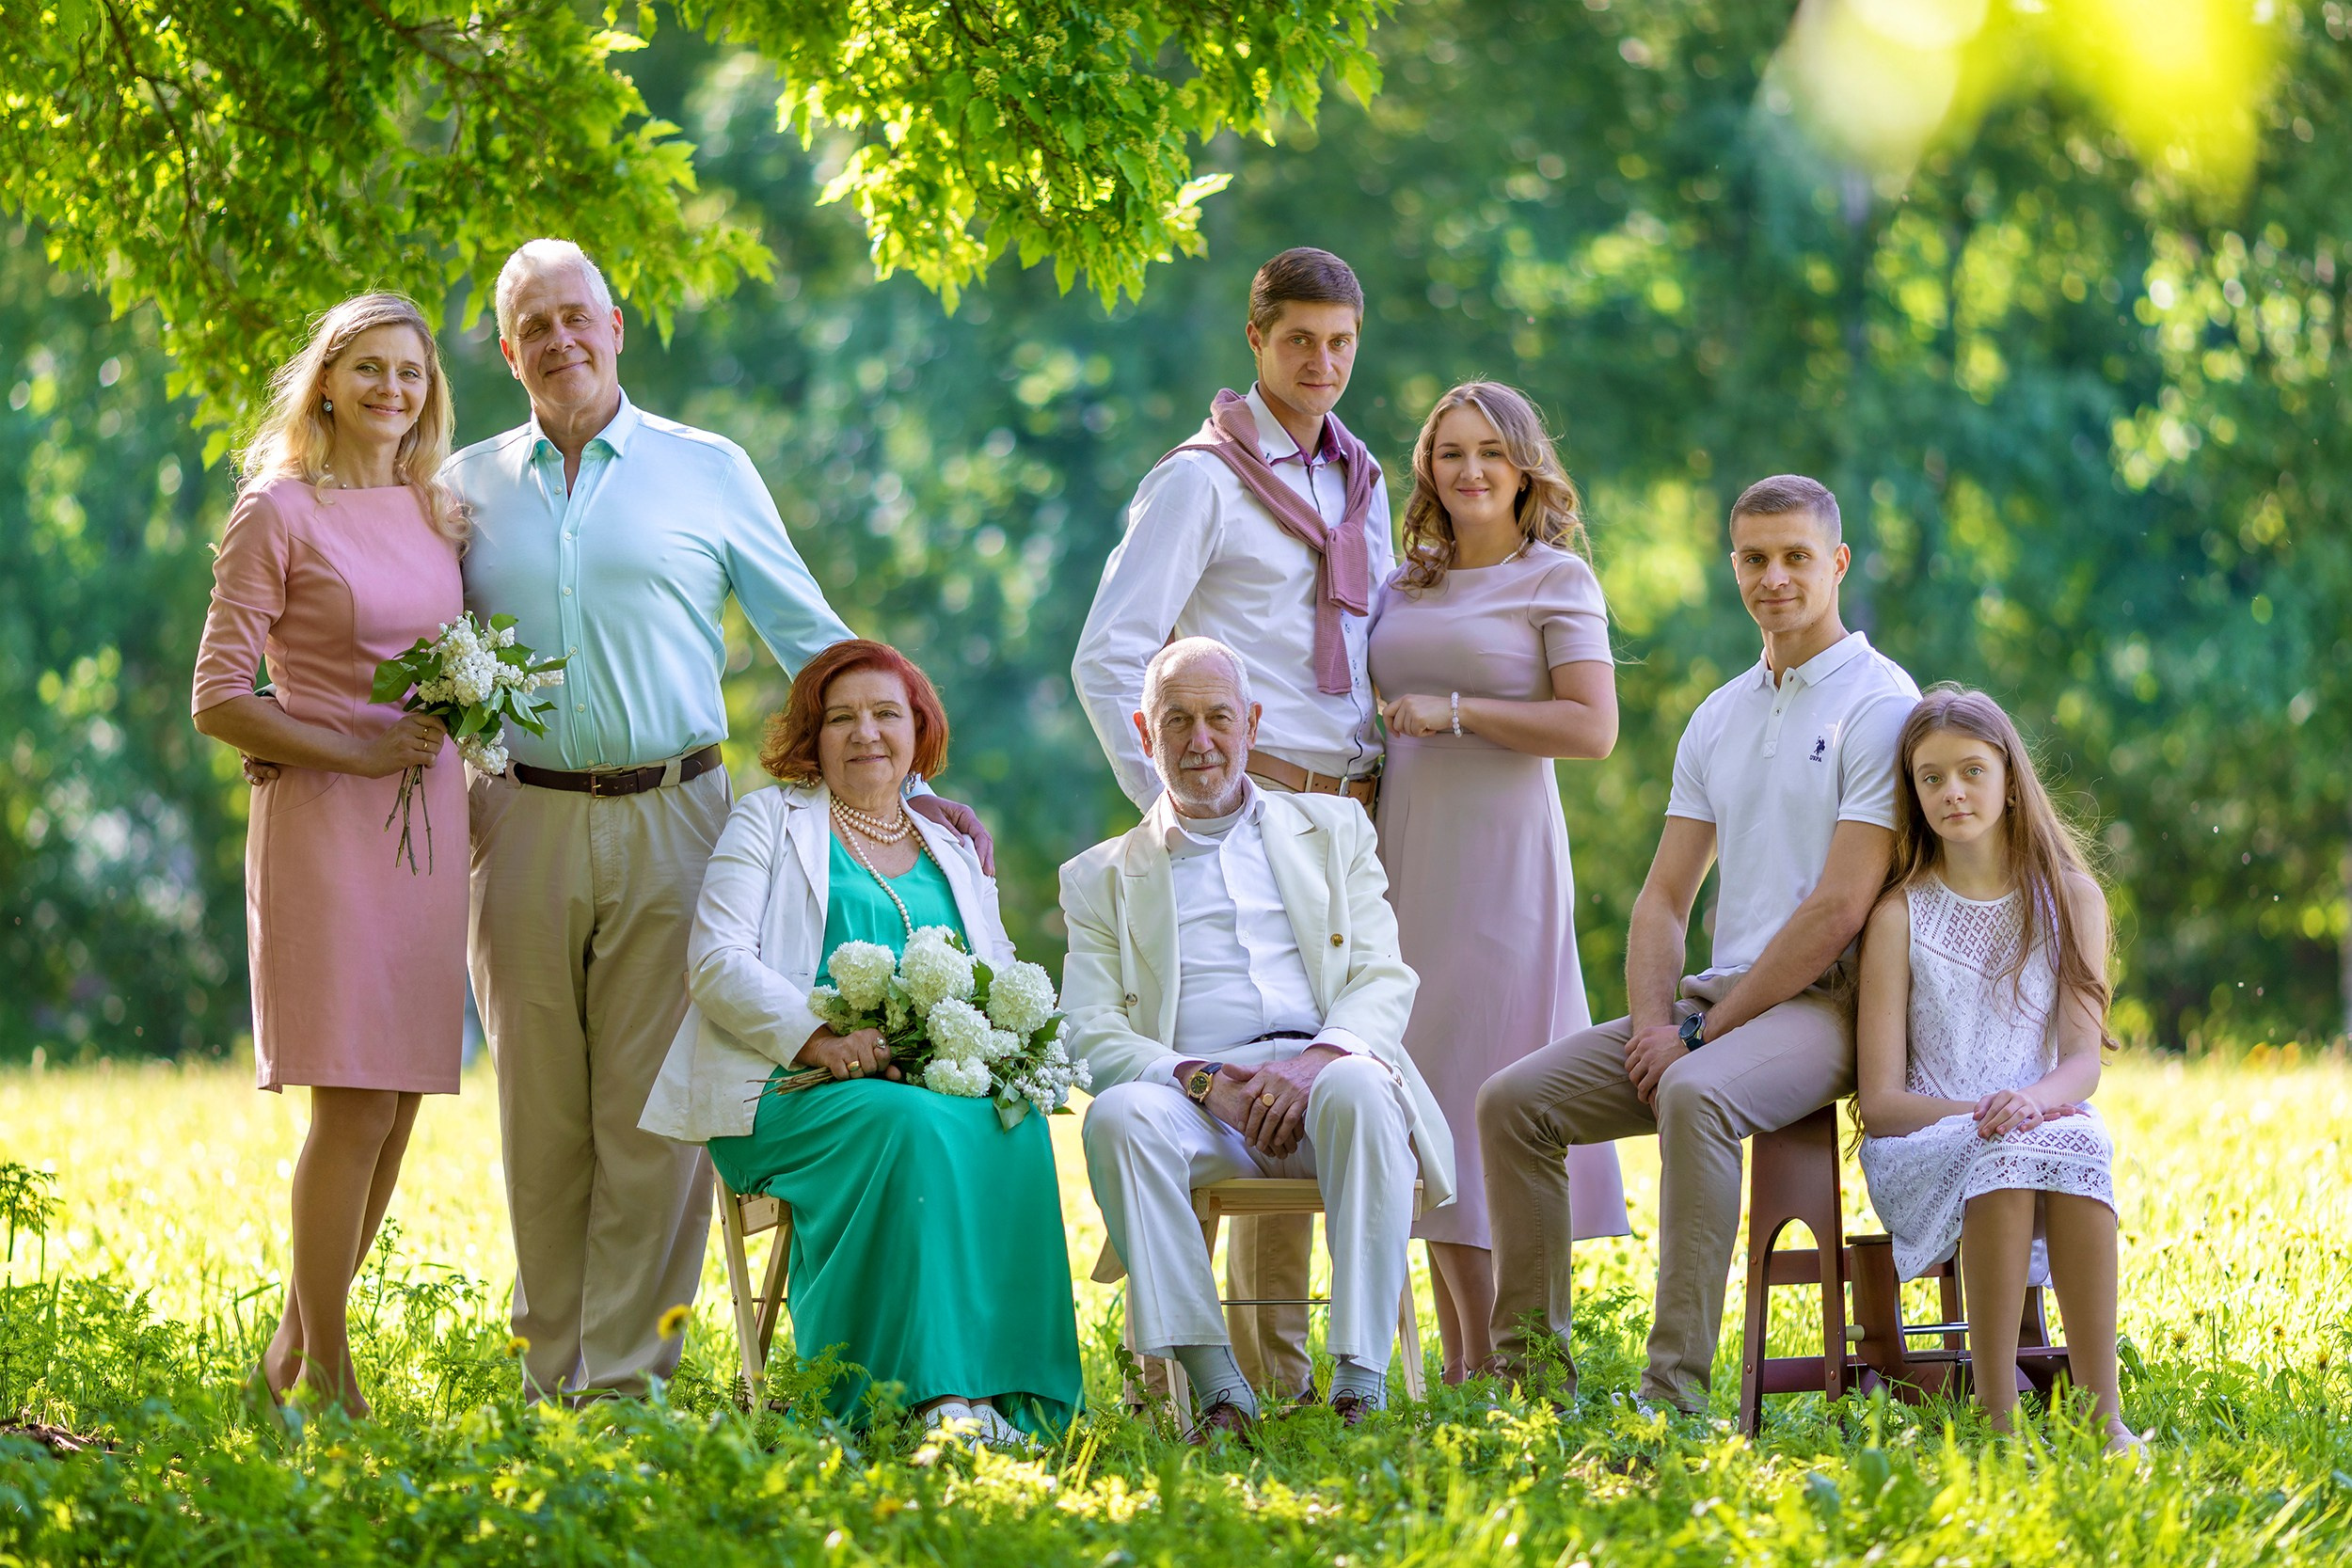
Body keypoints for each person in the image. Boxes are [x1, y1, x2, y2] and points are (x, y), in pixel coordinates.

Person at [447, 239, 990, 1401]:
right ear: (507, 350)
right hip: (520, 817)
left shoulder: (707, 467)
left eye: (575, 317)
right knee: (540, 1111)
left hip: (673, 813)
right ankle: (550, 1378)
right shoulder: (464, 487)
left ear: (617, 322)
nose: (558, 340)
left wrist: (918, 771)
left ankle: (627, 1383)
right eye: (533, 326)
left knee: (652, 1112)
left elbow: (809, 633)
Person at [1479, 474, 1920, 1414]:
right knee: (1512, 1102)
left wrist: (1696, 1037)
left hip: (1829, 1004)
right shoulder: (1718, 712)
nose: (1774, 577)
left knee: (1693, 1090)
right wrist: (1653, 1021)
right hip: (1713, 1009)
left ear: (1835, 563)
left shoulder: (1879, 703)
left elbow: (1840, 905)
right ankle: (1527, 1387)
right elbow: (1662, 899)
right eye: (1754, 559)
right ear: (1733, 566)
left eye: (1796, 556)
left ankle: (1670, 1394)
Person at [1071, 246, 1392, 1402]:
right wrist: (1174, 801)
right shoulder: (1200, 481)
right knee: (1218, 1036)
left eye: (1341, 341)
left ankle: (1296, 1369)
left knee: (1316, 1066)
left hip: (1350, 809)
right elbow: (1111, 651)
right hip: (1249, 788)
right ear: (1254, 343)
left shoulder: (1359, 479)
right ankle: (1195, 1365)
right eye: (1299, 339)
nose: (1322, 362)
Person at [640, 641, 1081, 1443]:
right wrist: (813, 1037)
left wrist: (1007, 1051)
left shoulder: (950, 844)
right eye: (840, 717)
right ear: (812, 736)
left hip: (922, 1089)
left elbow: (1000, 966)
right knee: (906, 1126)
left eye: (886, 714)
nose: (865, 732)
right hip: (783, 1088)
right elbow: (715, 960)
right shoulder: (767, 820)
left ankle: (1006, 1398)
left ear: (919, 730)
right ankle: (913, 1398)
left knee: (1016, 1127)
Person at [1060, 637, 1454, 1437]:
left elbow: (1384, 974)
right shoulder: (1100, 875)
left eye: (1218, 717)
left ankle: (1360, 1383)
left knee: (1361, 1085)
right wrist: (1206, 1082)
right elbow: (1089, 1032)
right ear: (1145, 731)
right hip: (1200, 1102)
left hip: (1326, 1078)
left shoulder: (1335, 828)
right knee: (1117, 1115)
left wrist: (1316, 1060)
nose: (1199, 740)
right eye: (1177, 720)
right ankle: (1218, 1390)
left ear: (1252, 724)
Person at [191, 293, 468, 1415]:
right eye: (369, 369)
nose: (392, 390)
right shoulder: (279, 512)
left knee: (397, 1106)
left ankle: (290, 1357)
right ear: (324, 384)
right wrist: (349, 752)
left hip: (431, 823)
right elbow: (218, 696)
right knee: (348, 1106)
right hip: (330, 825)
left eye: (410, 372)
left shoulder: (437, 509)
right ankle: (332, 1372)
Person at [1368, 383, 1628, 1384]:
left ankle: (1518, 1356)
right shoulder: (1401, 583)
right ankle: (1466, 1362)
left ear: (1525, 467)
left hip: (1501, 866)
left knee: (1490, 1085)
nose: (1468, 470)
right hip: (1401, 858)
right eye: (1447, 453)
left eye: (1489, 452)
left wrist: (1459, 710)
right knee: (1424, 1091)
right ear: (1427, 469)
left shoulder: (1554, 579)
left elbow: (1591, 728)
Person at [1854, 686, 2135, 1451]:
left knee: (2077, 1140)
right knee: (2004, 1152)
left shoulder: (2071, 898)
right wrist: (1983, 1111)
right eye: (1931, 777)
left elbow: (2082, 1063)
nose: (1953, 792)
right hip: (1923, 1145)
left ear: (2011, 779)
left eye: (1972, 771)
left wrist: (2030, 1101)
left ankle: (2102, 1415)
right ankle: (1997, 1414)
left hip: (2043, 1117)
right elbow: (1879, 1102)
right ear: (1912, 791)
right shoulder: (1898, 913)